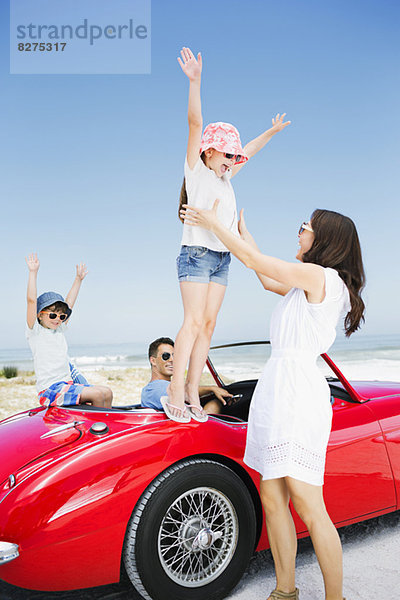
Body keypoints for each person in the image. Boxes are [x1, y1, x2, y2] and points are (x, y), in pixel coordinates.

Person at [180, 203, 365, 600]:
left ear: (325, 240)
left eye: (305, 227)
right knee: (272, 496)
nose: (298, 232)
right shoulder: (306, 283)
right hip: (278, 389)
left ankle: (336, 598)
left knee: (307, 502)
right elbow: (264, 275)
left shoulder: (321, 277)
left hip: (298, 392)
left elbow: (254, 261)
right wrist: (242, 232)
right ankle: (285, 590)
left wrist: (214, 224)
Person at [165, 46, 290, 423]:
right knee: (191, 322)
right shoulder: (197, 171)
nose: (232, 161)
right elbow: (193, 122)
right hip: (195, 253)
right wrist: (195, 83)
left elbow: (250, 148)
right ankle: (175, 389)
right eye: (227, 155)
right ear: (210, 150)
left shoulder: (225, 176)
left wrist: (270, 131)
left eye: (234, 158)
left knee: (208, 324)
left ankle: (191, 390)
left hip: (221, 257)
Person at [25, 253, 113, 409]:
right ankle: (96, 428)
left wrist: (78, 280)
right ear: (40, 314)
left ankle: (105, 422)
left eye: (62, 316)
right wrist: (33, 273)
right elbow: (31, 301)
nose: (57, 319)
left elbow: (70, 302)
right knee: (97, 395)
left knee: (106, 392)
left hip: (68, 383)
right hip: (50, 390)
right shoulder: (35, 332)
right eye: (52, 314)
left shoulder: (59, 330)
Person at [141, 337, 233, 415]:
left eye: (175, 356)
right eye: (166, 356)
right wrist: (212, 389)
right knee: (215, 404)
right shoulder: (153, 388)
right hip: (178, 433)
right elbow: (181, 391)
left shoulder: (163, 389)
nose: (172, 360)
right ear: (153, 361)